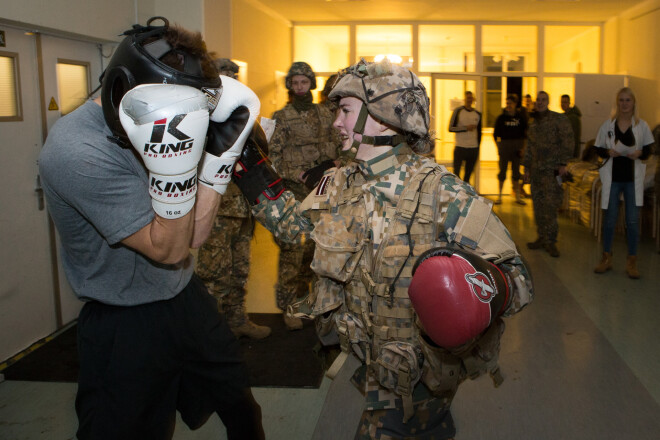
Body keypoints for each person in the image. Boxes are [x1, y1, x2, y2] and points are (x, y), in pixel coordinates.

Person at [231, 59, 533, 439]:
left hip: (417, 380)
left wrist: (474, 291)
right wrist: (246, 165)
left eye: (345, 111)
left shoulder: (441, 192)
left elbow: (517, 277)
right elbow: (296, 229)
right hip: (372, 366)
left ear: (384, 117)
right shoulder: (341, 182)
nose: (336, 123)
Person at [38, 18, 264, 439]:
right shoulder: (75, 151)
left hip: (184, 295)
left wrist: (217, 165)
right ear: (122, 86)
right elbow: (167, 249)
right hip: (122, 321)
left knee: (241, 407)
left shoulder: (174, 120)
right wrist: (183, 171)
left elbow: (191, 239)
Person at [195, 58, 271, 339]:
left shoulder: (244, 114)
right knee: (213, 273)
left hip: (243, 203)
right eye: (222, 78)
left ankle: (237, 320)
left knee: (240, 269)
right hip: (215, 206)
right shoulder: (199, 117)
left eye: (232, 78)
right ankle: (209, 332)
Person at [268, 61, 341, 330]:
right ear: (290, 85)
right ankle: (287, 304)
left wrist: (336, 162)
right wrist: (297, 173)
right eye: (295, 83)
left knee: (314, 247)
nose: (300, 87)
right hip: (294, 190)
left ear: (311, 83)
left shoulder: (324, 113)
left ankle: (306, 299)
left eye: (304, 82)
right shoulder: (281, 117)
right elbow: (273, 156)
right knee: (291, 248)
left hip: (321, 190)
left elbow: (337, 143)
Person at [593, 87, 655, 278]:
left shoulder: (641, 125)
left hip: (631, 180)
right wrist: (607, 152)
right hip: (613, 179)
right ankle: (606, 258)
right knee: (610, 220)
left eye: (628, 100)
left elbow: (649, 150)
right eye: (621, 100)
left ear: (634, 103)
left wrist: (639, 153)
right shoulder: (608, 125)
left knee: (632, 221)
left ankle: (632, 261)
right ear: (617, 103)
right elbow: (598, 148)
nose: (625, 104)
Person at [523, 91, 574, 258]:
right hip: (537, 172)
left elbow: (568, 141)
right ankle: (541, 237)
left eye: (543, 100)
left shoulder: (559, 120)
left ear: (548, 102)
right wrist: (526, 169)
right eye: (538, 100)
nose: (540, 102)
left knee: (550, 207)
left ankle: (551, 241)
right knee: (537, 205)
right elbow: (529, 147)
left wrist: (563, 164)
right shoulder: (533, 123)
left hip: (552, 172)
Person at [493, 94, 528, 205]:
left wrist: (523, 148)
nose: (508, 105)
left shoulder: (520, 118)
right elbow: (495, 135)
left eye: (510, 103)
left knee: (516, 172)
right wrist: (498, 147)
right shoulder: (501, 118)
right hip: (504, 146)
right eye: (507, 103)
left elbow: (526, 135)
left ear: (515, 104)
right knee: (502, 172)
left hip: (517, 146)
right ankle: (499, 196)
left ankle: (517, 197)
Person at [449, 90, 482, 183]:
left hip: (473, 148)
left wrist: (478, 146)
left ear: (473, 100)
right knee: (456, 174)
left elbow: (480, 133)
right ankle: (456, 193)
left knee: (468, 175)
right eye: (468, 98)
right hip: (460, 147)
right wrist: (465, 128)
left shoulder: (478, 114)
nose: (469, 100)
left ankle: (466, 194)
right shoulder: (458, 111)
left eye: (471, 98)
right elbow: (450, 128)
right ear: (464, 99)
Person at [561, 94, 583, 158]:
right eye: (562, 102)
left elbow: (574, 137)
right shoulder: (564, 116)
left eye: (565, 102)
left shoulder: (573, 117)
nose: (563, 104)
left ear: (569, 103)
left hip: (570, 152)